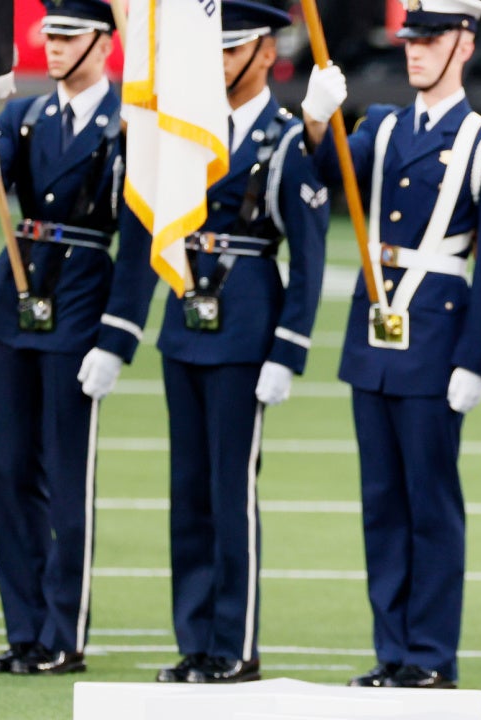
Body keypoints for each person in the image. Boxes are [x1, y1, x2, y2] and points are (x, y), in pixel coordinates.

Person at [299, 0, 481, 689]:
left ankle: (429, 655)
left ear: (464, 42)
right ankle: (392, 649)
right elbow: (326, 175)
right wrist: (317, 116)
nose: (414, 51)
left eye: (429, 40)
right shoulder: (383, 126)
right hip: (376, 337)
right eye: (410, 40)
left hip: (435, 338)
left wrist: (474, 359)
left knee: (430, 505)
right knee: (382, 504)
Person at [150, 0, 329, 684]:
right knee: (187, 491)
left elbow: (309, 257)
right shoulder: (190, 130)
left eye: (231, 51)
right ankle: (195, 640)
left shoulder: (283, 141)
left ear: (263, 54)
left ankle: (235, 644)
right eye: (213, 52)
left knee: (230, 493)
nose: (219, 63)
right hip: (184, 325)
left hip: (246, 326)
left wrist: (288, 349)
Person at [0, 0, 152, 677]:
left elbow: (138, 241)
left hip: (81, 303)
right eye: (49, 34)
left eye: (69, 35)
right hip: (19, 298)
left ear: (103, 44)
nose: (52, 47)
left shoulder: (130, 127)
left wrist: (119, 335)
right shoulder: (23, 117)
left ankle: (62, 631)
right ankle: (23, 629)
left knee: (65, 478)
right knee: (12, 473)